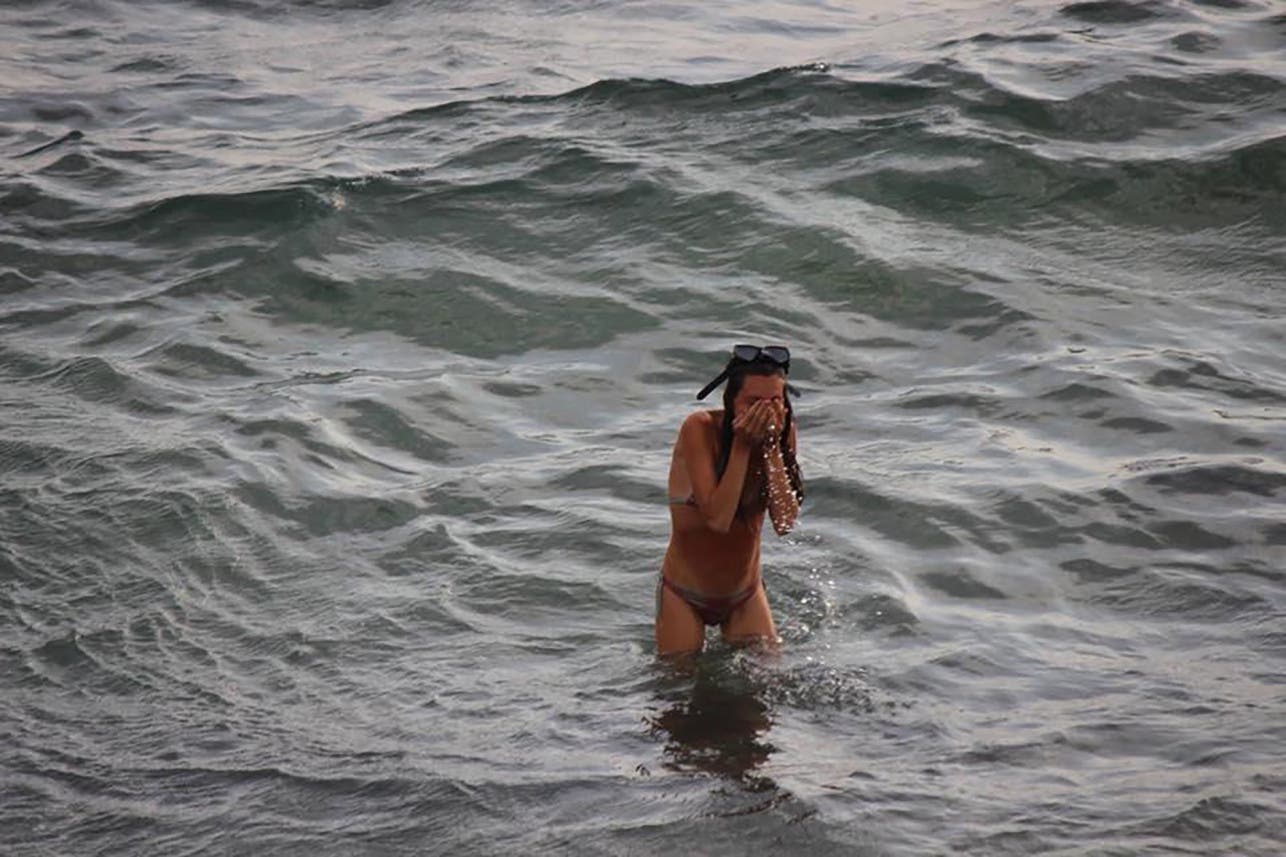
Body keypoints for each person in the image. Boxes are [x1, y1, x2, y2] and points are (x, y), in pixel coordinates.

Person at [655, 345, 805, 656]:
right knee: (677, 680)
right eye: (753, 402)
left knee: (770, 678)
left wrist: (771, 448)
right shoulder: (699, 429)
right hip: (684, 594)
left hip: (744, 594)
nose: (765, 412)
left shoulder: (783, 430)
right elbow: (718, 519)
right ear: (731, 400)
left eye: (774, 401)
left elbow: (785, 522)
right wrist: (741, 445)